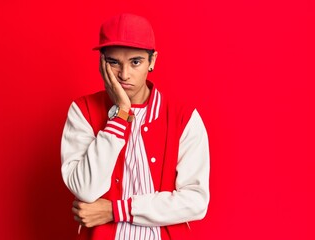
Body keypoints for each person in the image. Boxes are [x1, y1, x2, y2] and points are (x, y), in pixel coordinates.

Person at [61, 13, 210, 240]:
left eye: (136, 62)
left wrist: (115, 211)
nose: (124, 74)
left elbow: (196, 202)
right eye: (113, 62)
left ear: (152, 61)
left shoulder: (183, 118)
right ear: (101, 63)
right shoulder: (82, 111)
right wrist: (121, 113)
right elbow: (86, 189)